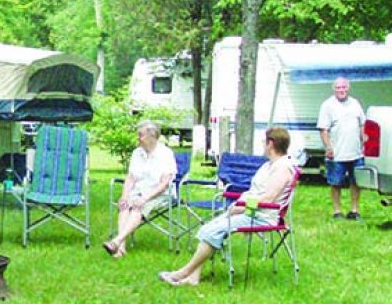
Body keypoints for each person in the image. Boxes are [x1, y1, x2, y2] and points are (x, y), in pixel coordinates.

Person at [158, 126, 295, 286]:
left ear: (271, 143)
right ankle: (193, 277)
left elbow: (269, 198)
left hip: (261, 217)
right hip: (250, 212)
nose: (263, 145)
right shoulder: (269, 165)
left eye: (265, 142)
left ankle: (183, 273)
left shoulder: (283, 167)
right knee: (208, 229)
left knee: (213, 231)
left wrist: (242, 207)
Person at [103, 120, 176, 258]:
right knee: (125, 206)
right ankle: (120, 248)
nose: (138, 138)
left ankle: (117, 241)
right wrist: (124, 196)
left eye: (140, 135)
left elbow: (164, 183)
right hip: (138, 191)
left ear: (152, 136)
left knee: (138, 207)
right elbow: (130, 178)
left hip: (159, 194)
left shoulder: (166, 154)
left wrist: (145, 198)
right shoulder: (137, 153)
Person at [317, 77, 366, 221]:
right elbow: (323, 129)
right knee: (335, 183)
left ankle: (354, 211)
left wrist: (365, 141)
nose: (341, 90)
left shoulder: (355, 103)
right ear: (334, 89)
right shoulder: (327, 105)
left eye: (344, 87)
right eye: (338, 88)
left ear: (348, 88)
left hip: (356, 152)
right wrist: (328, 147)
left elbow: (362, 124)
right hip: (336, 154)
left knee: (356, 182)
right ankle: (337, 211)